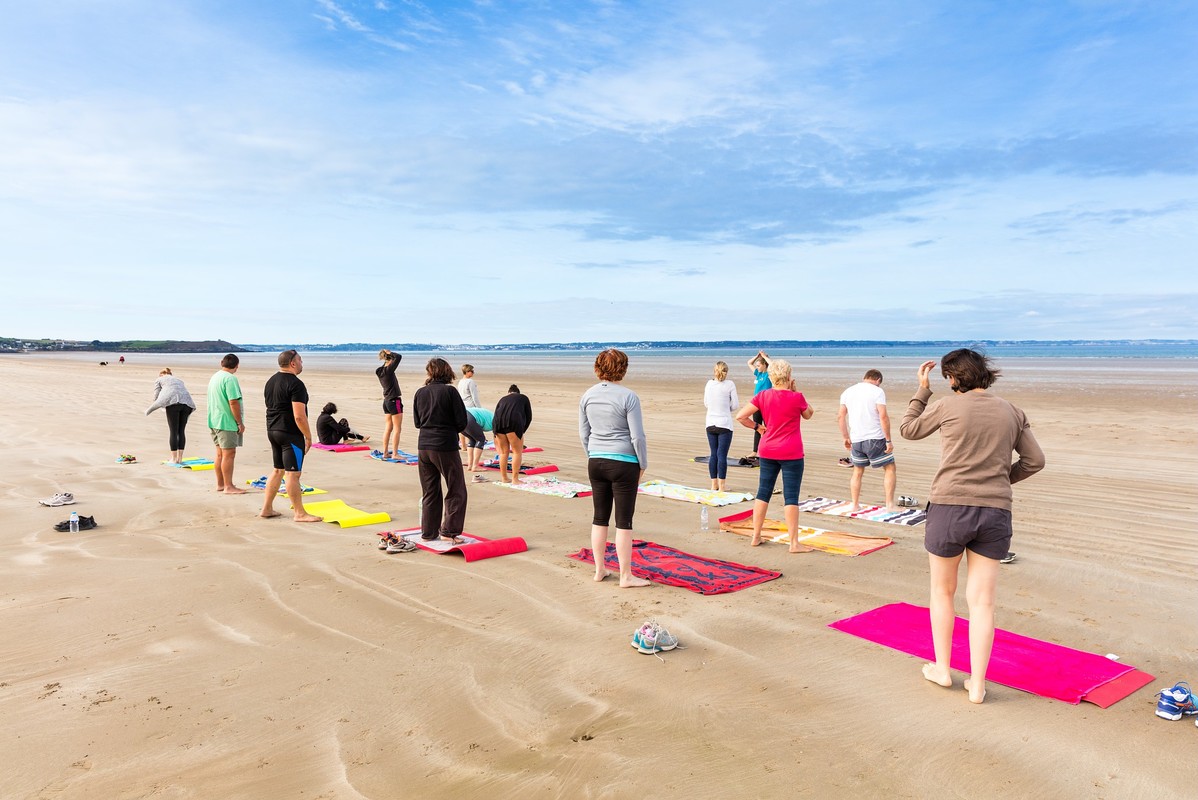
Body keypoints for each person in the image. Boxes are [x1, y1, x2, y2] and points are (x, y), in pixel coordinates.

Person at [900, 349, 1045, 704]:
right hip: (994, 511)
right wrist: (1002, 480)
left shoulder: (948, 407)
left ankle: (943, 669)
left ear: (952, 378)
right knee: (983, 603)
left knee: (942, 592)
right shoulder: (1012, 410)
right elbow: (1035, 460)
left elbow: (908, 430)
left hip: (950, 507)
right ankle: (977, 684)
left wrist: (922, 390)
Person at [580, 348, 650, 588]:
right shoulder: (629, 396)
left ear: (598, 368)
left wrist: (592, 454)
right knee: (623, 521)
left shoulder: (587, 395)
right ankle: (625, 576)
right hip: (623, 462)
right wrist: (643, 463)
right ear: (623, 368)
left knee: (599, 517)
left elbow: (584, 433)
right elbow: (637, 436)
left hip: (596, 460)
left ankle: (600, 570)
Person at [734, 359, 814, 552]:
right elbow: (809, 414)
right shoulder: (797, 397)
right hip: (792, 452)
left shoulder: (763, 395)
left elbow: (740, 416)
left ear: (771, 377)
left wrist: (758, 427)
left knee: (763, 492)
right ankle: (794, 543)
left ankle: (756, 536)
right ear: (789, 377)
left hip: (768, 449)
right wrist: (795, 391)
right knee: (791, 496)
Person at [259, 350, 322, 522]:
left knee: (278, 470)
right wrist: (308, 436)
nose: (302, 363)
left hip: (272, 430)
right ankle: (300, 513)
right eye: (300, 360)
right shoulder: (296, 384)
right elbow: (299, 416)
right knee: (293, 474)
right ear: (292, 363)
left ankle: (267, 508)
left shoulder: (270, 381)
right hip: (290, 433)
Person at [413, 358, 469, 542]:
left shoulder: (420, 392)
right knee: (456, 488)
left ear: (430, 372)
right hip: (444, 445)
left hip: (424, 446)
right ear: (447, 372)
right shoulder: (449, 391)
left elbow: (417, 422)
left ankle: (428, 533)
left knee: (430, 490)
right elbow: (462, 422)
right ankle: (448, 532)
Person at [838, 369, 898, 512]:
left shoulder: (847, 392)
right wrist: (888, 440)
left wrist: (846, 437)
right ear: (877, 380)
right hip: (875, 438)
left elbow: (840, 416)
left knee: (857, 471)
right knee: (890, 468)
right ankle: (890, 505)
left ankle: (855, 504)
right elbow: (883, 416)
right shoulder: (877, 392)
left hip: (857, 439)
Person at [206, 353, 247, 495]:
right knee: (229, 454)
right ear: (237, 366)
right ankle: (228, 486)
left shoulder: (215, 376)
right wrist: (239, 422)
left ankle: (221, 484)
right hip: (226, 421)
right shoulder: (230, 379)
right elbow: (233, 402)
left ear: (221, 363)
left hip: (214, 419)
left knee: (220, 454)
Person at [146, 367, 196, 463]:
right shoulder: (179, 380)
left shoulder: (159, 379)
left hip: (173, 405)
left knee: (173, 431)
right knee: (181, 431)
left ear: (161, 374)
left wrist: (157, 404)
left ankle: (173, 459)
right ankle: (180, 459)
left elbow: (156, 396)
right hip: (187, 405)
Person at [703, 361, 739, 491]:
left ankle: (714, 485)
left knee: (714, 454)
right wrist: (726, 408)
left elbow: (706, 403)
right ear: (726, 372)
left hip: (710, 423)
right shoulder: (730, 384)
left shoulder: (709, 384)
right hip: (724, 424)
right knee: (721, 455)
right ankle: (722, 486)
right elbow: (735, 405)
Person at [493, 385, 533, 484]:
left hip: (498, 424)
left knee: (503, 453)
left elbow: (496, 413)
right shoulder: (523, 398)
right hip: (513, 423)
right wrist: (522, 432)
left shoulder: (502, 399)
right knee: (517, 452)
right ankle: (515, 479)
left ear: (509, 392)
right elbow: (529, 417)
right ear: (518, 392)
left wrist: (494, 432)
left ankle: (504, 478)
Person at [376, 349, 403, 459]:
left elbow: (391, 361)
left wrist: (387, 356)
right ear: (390, 360)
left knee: (388, 428)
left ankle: (385, 452)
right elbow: (399, 356)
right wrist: (389, 353)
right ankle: (395, 454)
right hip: (394, 400)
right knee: (397, 428)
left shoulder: (379, 370)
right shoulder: (389, 370)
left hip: (386, 401)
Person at [745, 351, 772, 457]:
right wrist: (757, 356)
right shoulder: (758, 373)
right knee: (757, 427)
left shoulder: (768, 375)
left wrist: (765, 356)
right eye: (757, 366)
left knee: (768, 427)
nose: (757, 367)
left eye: (759, 365)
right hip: (756, 405)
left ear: (765, 365)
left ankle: (769, 449)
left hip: (766, 405)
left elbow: (773, 365)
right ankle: (755, 451)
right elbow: (749, 363)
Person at [463, 406, 493, 480]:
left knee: (472, 439)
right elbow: (498, 438)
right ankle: (475, 466)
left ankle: (470, 465)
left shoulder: (492, 416)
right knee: (481, 439)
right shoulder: (497, 421)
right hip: (469, 417)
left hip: (460, 417)